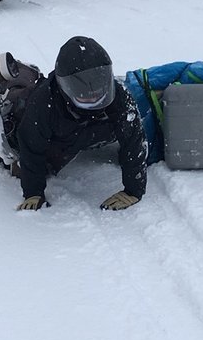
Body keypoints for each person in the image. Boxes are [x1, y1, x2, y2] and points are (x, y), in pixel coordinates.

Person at [15, 36, 148, 212]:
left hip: (98, 132)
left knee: (127, 124)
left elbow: (134, 141)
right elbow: (30, 146)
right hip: (61, 139)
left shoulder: (120, 97)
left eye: (97, 89)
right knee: (18, 151)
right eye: (86, 93)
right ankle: (12, 89)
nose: (93, 96)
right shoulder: (43, 102)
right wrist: (33, 192)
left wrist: (134, 190)